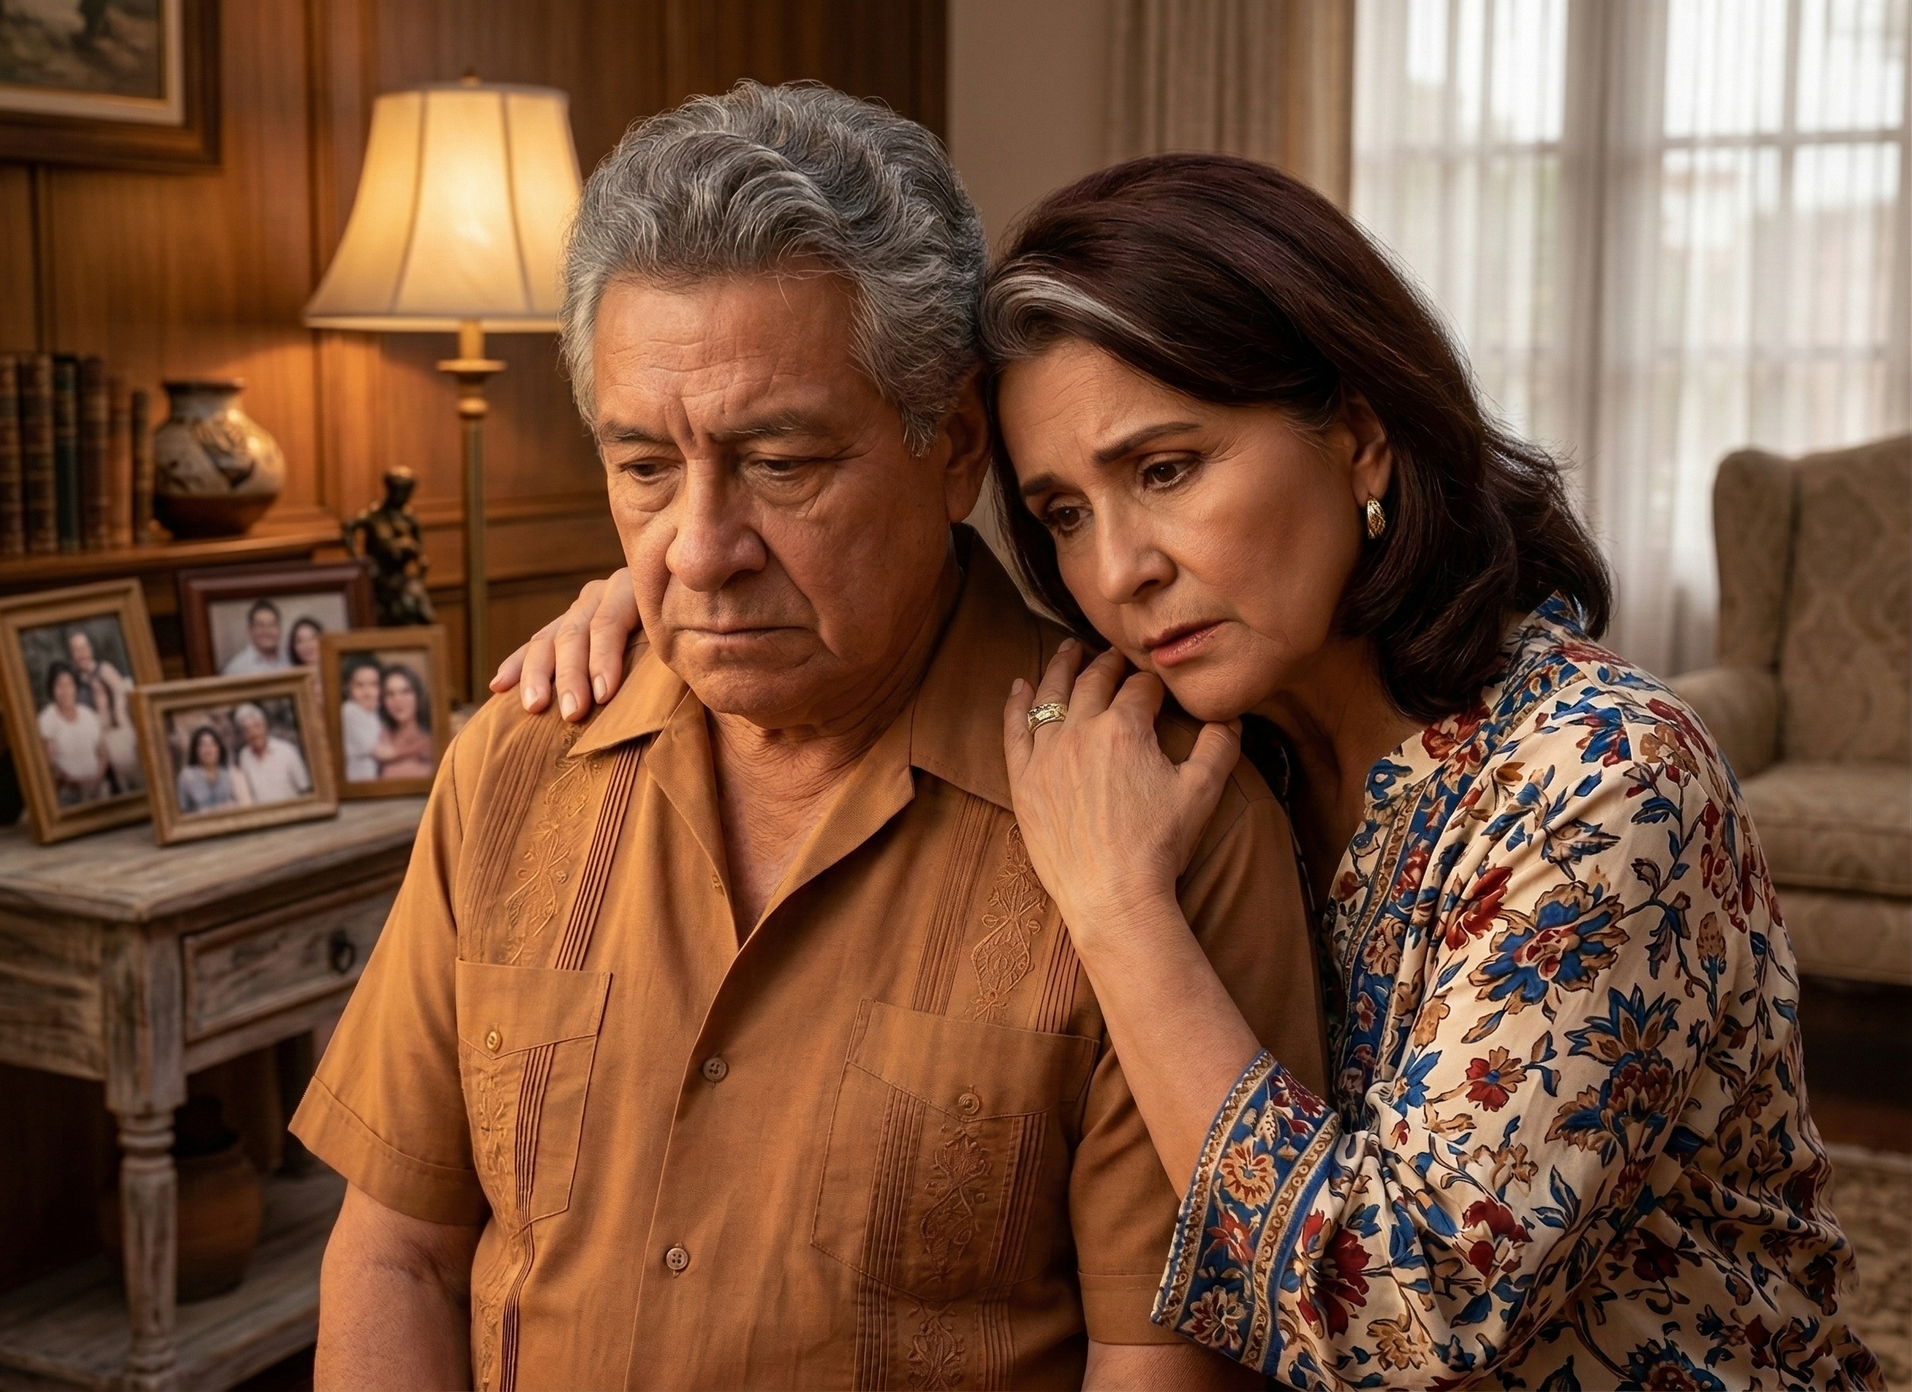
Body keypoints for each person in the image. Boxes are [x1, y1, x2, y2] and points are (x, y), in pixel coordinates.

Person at [502, 154, 1875, 1388]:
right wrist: (675, 606)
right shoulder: (1209, 731)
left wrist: (1120, 913)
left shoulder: (1604, 781)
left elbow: (1397, 1322)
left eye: (1167, 468)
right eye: (1064, 514)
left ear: (1358, 437)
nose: (1118, 570)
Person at [293, 82, 1323, 1392]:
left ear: (952, 449)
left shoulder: (1163, 827)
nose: (701, 555)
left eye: (781, 465)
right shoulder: (520, 754)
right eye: (645, 468)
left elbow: (1163, 1368)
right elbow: (399, 1259)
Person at [37, 661, 107, 806]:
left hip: (97, 786)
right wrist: (74, 782)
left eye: (69, 684)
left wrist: (96, 777)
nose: (65, 691)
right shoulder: (47, 719)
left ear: (76, 687)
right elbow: (49, 763)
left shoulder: (88, 715)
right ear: (52, 689)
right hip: (66, 793)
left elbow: (103, 753)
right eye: (59, 685)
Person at [232, 702, 310, 804]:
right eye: (247, 730)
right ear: (242, 734)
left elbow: (304, 789)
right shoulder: (244, 756)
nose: (253, 733)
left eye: (257, 726)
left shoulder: (287, 751)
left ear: (265, 726)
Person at [371, 663, 432, 779]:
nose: (398, 700)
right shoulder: (378, 738)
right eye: (390, 694)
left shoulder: (433, 740)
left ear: (418, 696)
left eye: (405, 691)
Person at [175, 725, 249, 814]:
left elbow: (245, 806)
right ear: (195, 750)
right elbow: (182, 810)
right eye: (203, 745)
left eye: (212, 744)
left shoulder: (231, 773)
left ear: (219, 748)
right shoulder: (187, 776)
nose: (208, 749)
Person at [88, 676, 142, 796]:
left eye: (99, 691)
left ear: (107, 693)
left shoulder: (120, 715)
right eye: (93, 692)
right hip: (111, 773)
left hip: (132, 767)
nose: (96, 696)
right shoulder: (91, 720)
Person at [339, 658, 384, 781]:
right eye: (359, 685)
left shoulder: (377, 710)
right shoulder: (349, 711)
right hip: (358, 783)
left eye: (373, 685)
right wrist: (413, 748)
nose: (367, 692)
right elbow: (379, 752)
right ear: (348, 688)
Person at [221, 600, 285, 675]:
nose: (267, 631)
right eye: (261, 625)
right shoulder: (235, 669)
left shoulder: (290, 658)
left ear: (279, 628)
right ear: (250, 630)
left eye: (272, 625)